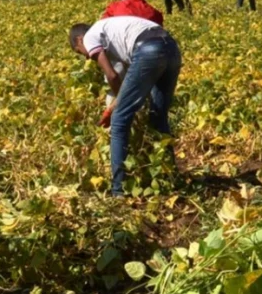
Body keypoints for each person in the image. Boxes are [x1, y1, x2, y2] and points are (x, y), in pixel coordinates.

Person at [69, 16, 182, 196]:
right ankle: (172, 178)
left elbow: (113, 76)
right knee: (158, 115)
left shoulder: (89, 36)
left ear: (79, 40)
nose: (87, 58)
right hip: (171, 48)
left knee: (120, 120)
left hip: (148, 49)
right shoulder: (109, 32)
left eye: (80, 52)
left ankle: (118, 190)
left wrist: (117, 106)